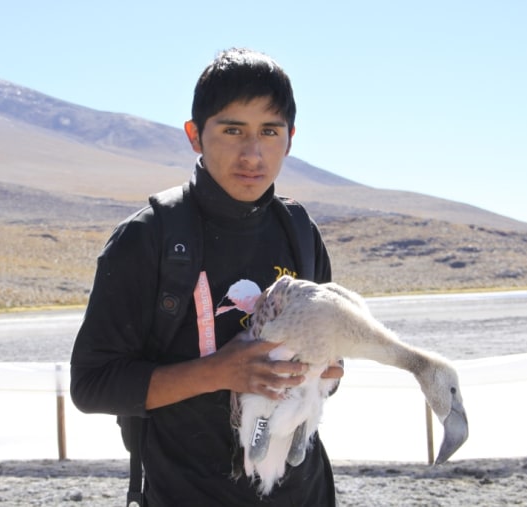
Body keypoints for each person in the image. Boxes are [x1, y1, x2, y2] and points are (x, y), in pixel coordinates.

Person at [70, 48, 343, 507]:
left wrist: (324, 373)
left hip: (305, 493)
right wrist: (217, 373)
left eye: (269, 131)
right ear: (195, 135)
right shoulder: (149, 236)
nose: (252, 153)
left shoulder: (300, 233)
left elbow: (331, 365)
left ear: (290, 139)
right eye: (232, 129)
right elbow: (93, 384)